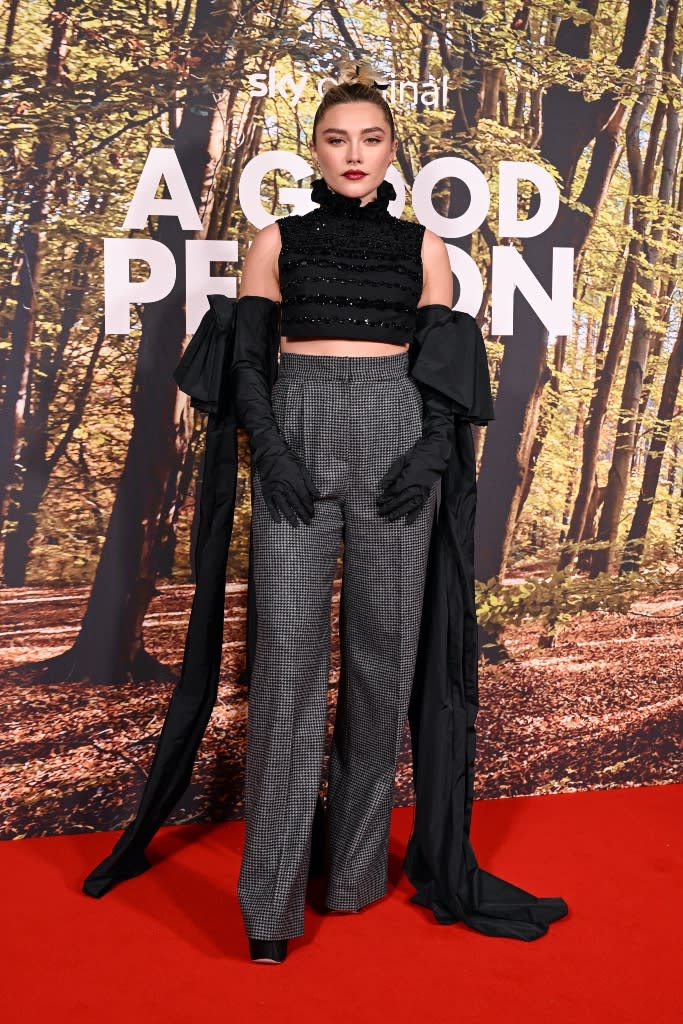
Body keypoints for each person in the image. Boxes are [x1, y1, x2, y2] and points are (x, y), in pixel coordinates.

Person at [82, 60, 568, 963]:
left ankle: (349, 877)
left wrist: (427, 450)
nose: (354, 154)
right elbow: (249, 361)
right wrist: (268, 448)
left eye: (371, 139)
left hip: (395, 440)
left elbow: (440, 365)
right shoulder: (275, 240)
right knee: (288, 671)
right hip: (295, 437)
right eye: (337, 138)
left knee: (382, 666)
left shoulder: (427, 247)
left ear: (392, 153)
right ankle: (267, 908)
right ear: (314, 149)